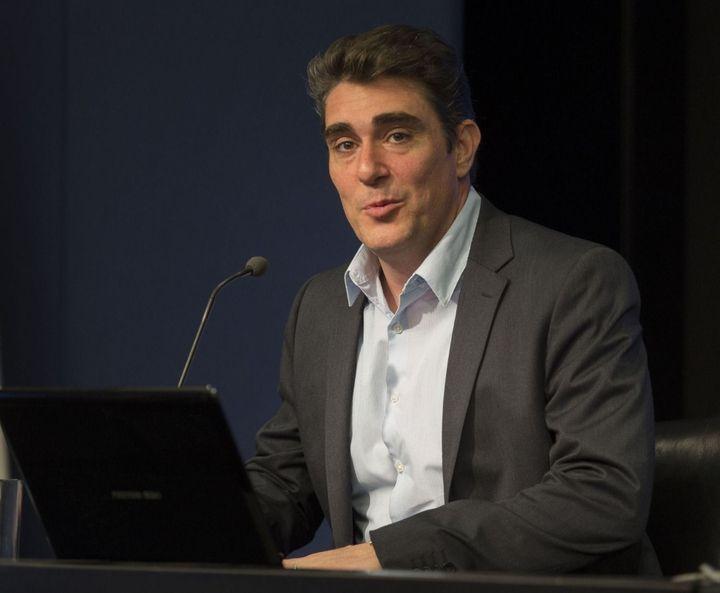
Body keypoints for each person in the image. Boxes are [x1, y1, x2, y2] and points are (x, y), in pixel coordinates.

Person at [245, 24, 659, 574]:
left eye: (397, 136)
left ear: (461, 147)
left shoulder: (573, 284)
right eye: (345, 144)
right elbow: (284, 483)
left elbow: (602, 493)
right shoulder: (320, 308)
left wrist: (382, 558)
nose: (368, 169)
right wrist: (182, 522)